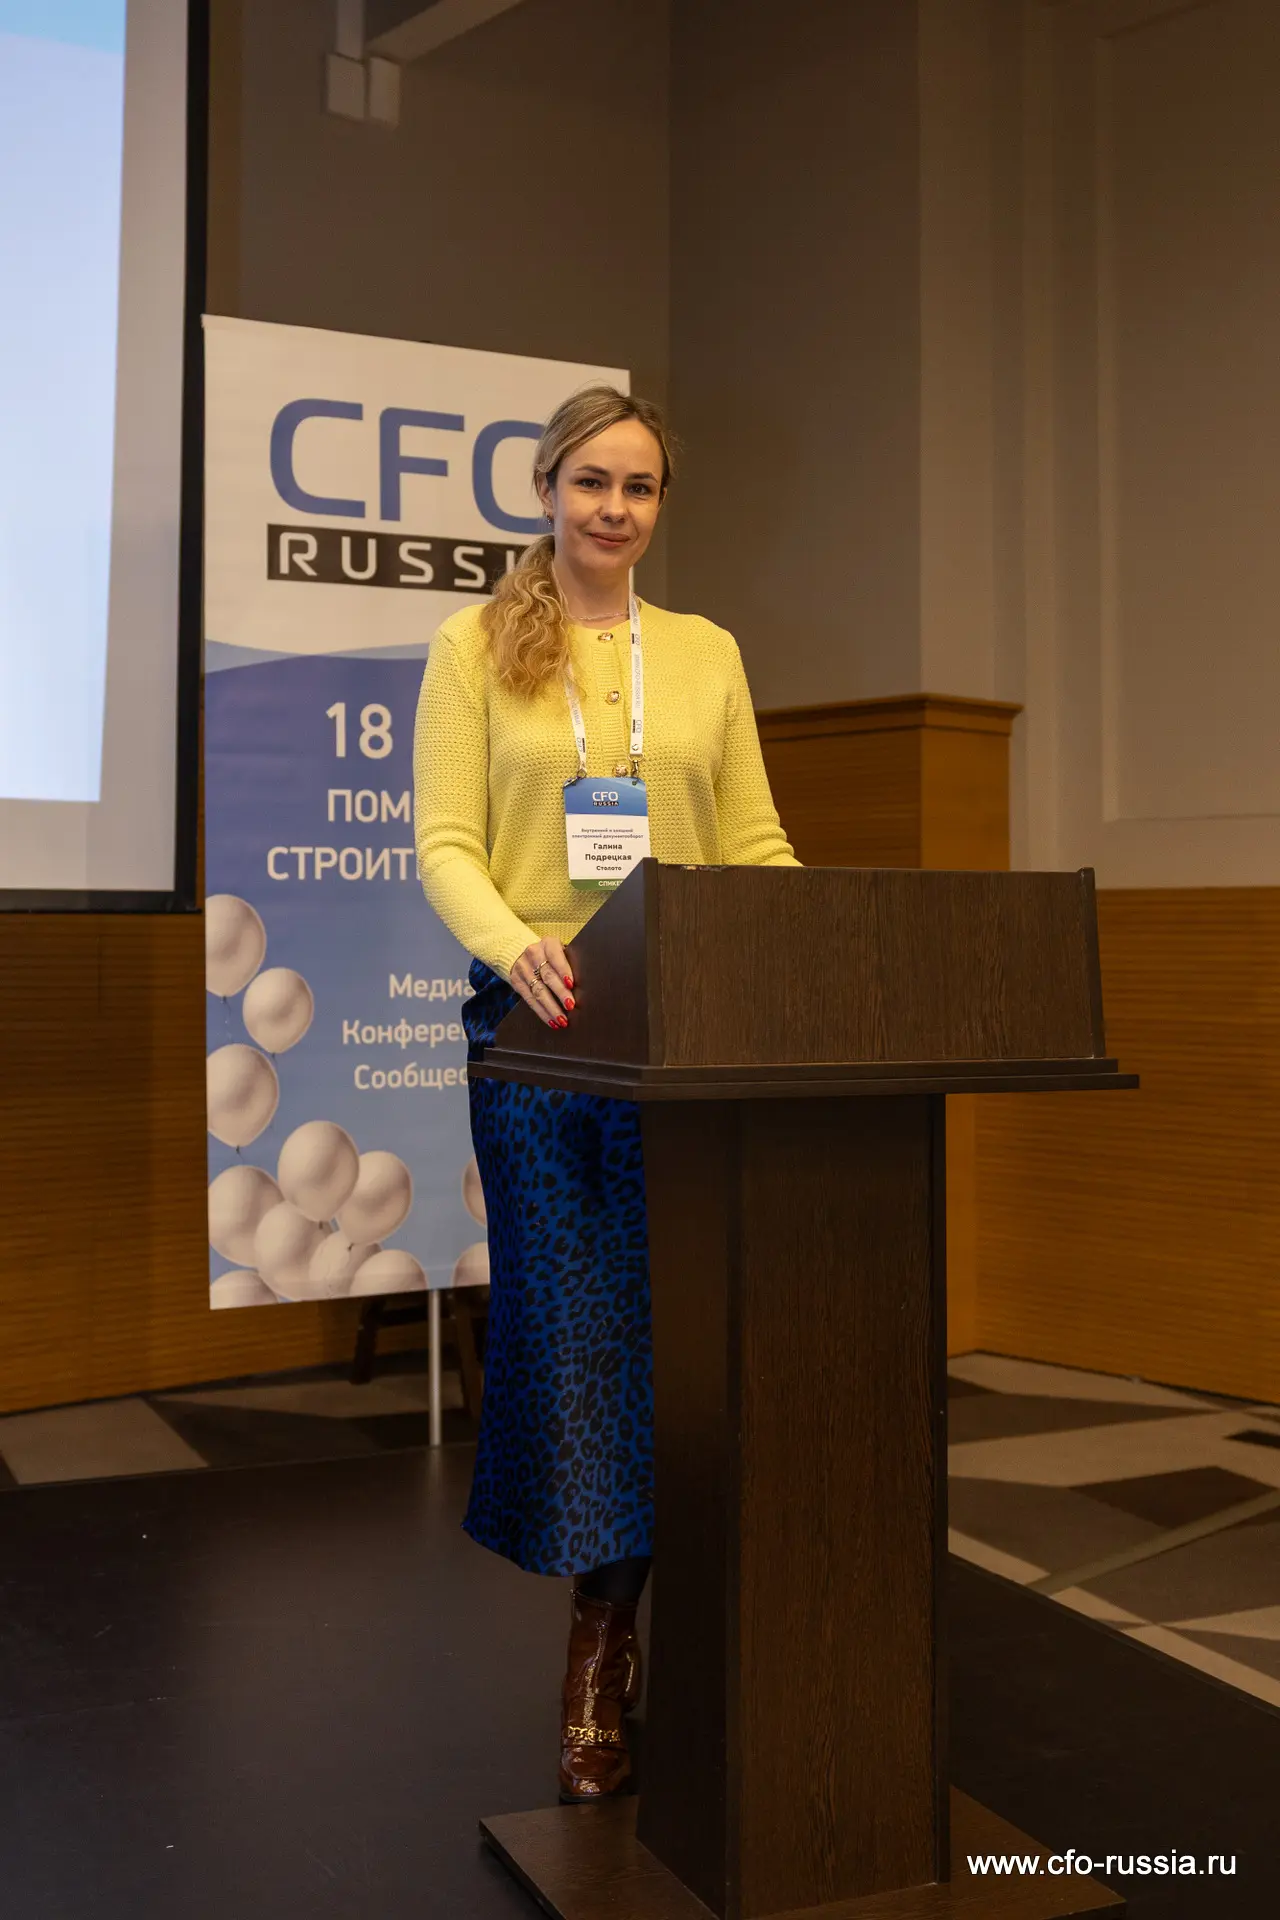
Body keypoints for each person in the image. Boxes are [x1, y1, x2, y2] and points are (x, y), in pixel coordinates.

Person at [413, 385, 797, 1801]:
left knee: (692, 1338)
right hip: (546, 1037)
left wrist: (817, 948)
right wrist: (515, 944)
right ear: (545, 489)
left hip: (689, 1040)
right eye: (591, 482)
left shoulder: (705, 652)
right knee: (583, 1344)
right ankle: (599, 1641)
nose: (614, 509)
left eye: (639, 487)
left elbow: (751, 840)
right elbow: (447, 843)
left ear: (659, 506)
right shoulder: (473, 647)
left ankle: (727, 1633)